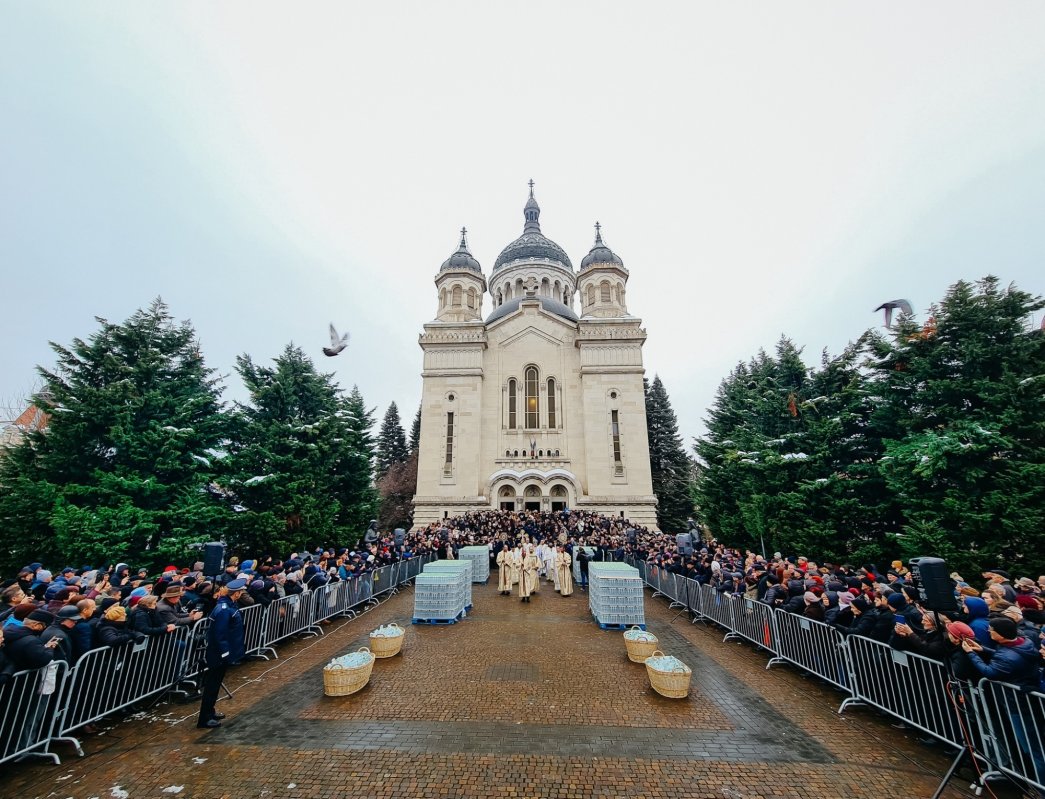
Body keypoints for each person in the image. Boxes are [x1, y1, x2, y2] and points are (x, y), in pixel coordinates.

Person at [198, 578, 246, 729]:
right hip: (218, 653)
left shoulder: (228, 605)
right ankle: (204, 718)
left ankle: (210, 711)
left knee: (216, 684)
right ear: (236, 593)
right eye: (240, 592)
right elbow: (220, 634)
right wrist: (225, 653)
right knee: (212, 685)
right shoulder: (224, 609)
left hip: (221, 652)